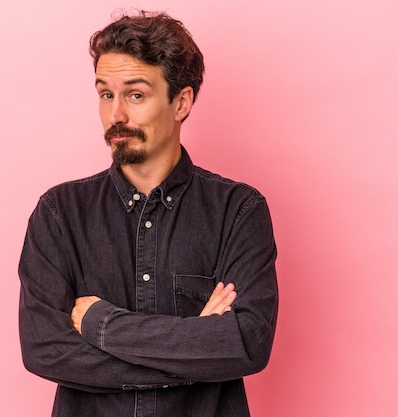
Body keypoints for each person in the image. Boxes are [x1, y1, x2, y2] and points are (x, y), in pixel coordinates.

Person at [18, 11, 278, 417]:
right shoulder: (59, 213)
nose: (116, 115)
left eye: (135, 95)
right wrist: (198, 351)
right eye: (106, 94)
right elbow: (45, 350)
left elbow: (246, 343)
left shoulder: (239, 211)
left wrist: (99, 323)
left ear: (182, 102)